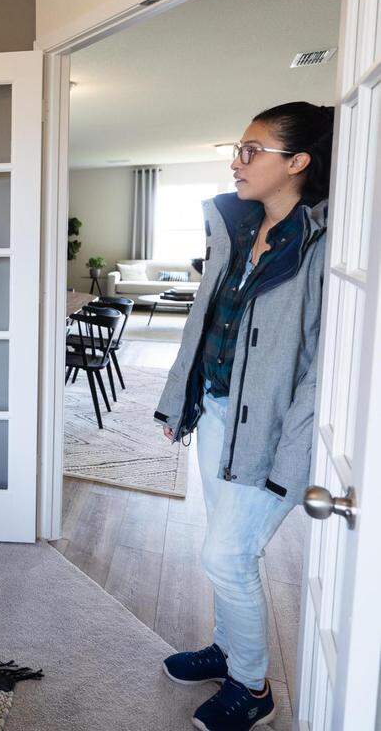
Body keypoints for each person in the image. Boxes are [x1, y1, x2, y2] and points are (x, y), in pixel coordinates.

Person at [154, 102, 333, 731]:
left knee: (228, 556)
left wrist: (293, 455)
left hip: (274, 429)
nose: (238, 161)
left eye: (252, 150)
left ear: (298, 162)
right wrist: (182, 400)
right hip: (219, 409)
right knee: (221, 548)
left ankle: (252, 687)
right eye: (238, 148)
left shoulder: (323, 245)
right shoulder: (235, 226)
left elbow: (322, 366)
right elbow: (203, 328)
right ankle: (228, 650)